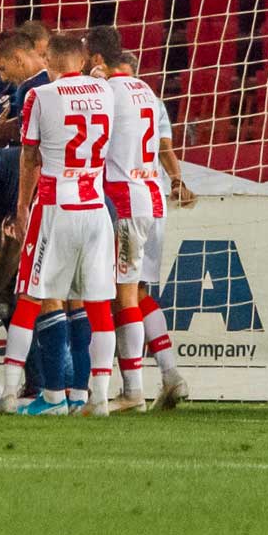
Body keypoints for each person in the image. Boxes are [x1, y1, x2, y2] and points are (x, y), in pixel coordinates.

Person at [6, 31, 119, 415]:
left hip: (56, 205)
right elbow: (100, 79)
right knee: (97, 304)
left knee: (30, 298)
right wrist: (96, 75)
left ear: (48, 63)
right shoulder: (105, 91)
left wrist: (22, 206)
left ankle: (17, 395)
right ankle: (96, 398)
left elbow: (29, 157)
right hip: (95, 207)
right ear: (83, 62)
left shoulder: (39, 95)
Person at [96, 47, 195, 411]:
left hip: (125, 199)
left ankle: (132, 389)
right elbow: (164, 146)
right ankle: (170, 374)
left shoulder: (108, 92)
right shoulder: (150, 96)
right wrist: (177, 180)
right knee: (137, 290)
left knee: (122, 294)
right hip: (153, 196)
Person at [0, 29, 48, 147]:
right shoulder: (1, 85)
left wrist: (10, 129)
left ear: (18, 59)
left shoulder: (28, 89)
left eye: (2, 68)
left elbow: (31, 150)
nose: (3, 77)